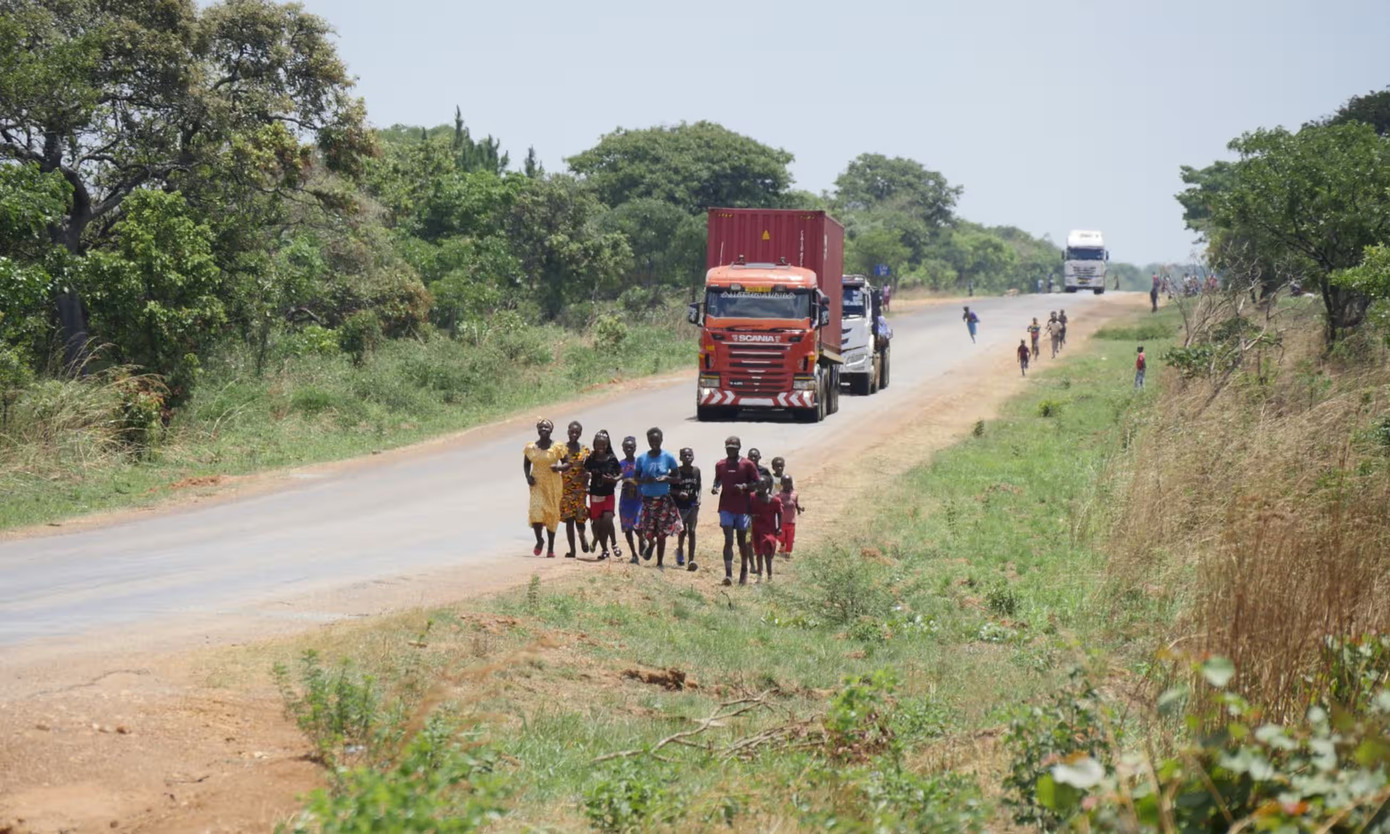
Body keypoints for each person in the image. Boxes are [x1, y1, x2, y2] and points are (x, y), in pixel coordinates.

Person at [711, 436, 759, 586]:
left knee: (741, 541)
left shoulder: (747, 464)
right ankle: (728, 574)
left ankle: (744, 571)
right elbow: (718, 479)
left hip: (742, 508)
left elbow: (757, 483)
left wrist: (744, 487)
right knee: (728, 540)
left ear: (739, 448)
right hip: (725, 506)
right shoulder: (720, 464)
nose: (731, 450)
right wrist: (715, 486)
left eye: (734, 448)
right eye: (728, 448)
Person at [634, 427, 682, 568]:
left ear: (661, 440)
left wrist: (667, 478)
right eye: (651, 440)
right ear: (648, 440)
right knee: (645, 530)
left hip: (663, 500)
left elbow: (677, 477)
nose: (654, 442)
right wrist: (644, 480)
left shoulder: (668, 457)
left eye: (657, 440)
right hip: (647, 500)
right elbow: (636, 478)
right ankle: (651, 543)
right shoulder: (642, 458)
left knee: (661, 533)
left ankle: (660, 563)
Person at [522, 418, 565, 558]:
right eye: (541, 427)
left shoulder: (557, 447)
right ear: (537, 429)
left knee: (552, 514)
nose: (544, 429)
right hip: (537, 484)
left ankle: (551, 548)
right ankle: (540, 540)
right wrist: (527, 477)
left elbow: (567, 463)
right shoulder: (531, 447)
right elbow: (526, 463)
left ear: (551, 430)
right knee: (536, 511)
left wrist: (558, 467)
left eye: (546, 427)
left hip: (553, 484)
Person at [583, 431, 622, 560]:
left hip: (608, 494)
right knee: (598, 524)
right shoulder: (591, 459)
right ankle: (604, 549)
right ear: (594, 445)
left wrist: (614, 480)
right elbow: (585, 471)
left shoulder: (611, 458)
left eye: (603, 445)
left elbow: (621, 473)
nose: (600, 448)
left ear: (607, 445)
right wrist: (587, 477)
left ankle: (614, 543)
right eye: (598, 445)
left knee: (607, 519)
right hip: (595, 494)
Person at [557, 420, 591, 559]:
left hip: (580, 490)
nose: (574, 434)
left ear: (580, 433)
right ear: (568, 432)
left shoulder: (585, 450)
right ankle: (572, 550)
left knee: (580, 521)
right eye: (572, 431)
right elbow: (553, 463)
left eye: (577, 432)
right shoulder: (561, 449)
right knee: (569, 521)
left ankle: (582, 536)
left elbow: (589, 468)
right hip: (565, 490)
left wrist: (588, 481)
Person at [671, 447, 701, 572]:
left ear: (693, 456)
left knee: (692, 531)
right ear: (680, 458)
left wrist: (699, 498)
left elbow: (698, 486)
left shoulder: (696, 471)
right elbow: (669, 488)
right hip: (680, 506)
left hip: (693, 505)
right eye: (684, 455)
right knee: (682, 531)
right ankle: (680, 551)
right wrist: (678, 493)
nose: (687, 457)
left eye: (689, 455)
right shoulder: (676, 471)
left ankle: (691, 560)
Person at [749, 475, 783, 582]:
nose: (760, 486)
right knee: (759, 553)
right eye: (758, 484)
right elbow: (747, 511)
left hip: (769, 530)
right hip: (756, 529)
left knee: (768, 552)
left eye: (762, 484)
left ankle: (769, 576)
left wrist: (779, 527)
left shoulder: (775, 501)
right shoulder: (752, 497)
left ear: (768, 486)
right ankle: (759, 576)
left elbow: (779, 513)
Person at [618, 436, 642, 563]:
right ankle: (634, 554)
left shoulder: (640, 463)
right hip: (625, 500)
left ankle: (642, 541)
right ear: (622, 448)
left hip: (638, 500)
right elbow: (617, 477)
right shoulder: (620, 464)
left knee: (638, 526)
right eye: (626, 447)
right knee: (627, 529)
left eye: (631, 447)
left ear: (635, 448)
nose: (629, 449)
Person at [776, 475, 803, 557]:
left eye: (789, 483)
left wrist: (799, 508)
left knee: (790, 538)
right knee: (781, 536)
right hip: (782, 521)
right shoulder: (779, 495)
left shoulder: (795, 494)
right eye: (785, 483)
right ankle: (783, 543)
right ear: (781, 483)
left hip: (791, 521)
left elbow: (796, 503)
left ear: (791, 483)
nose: (787, 485)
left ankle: (788, 552)